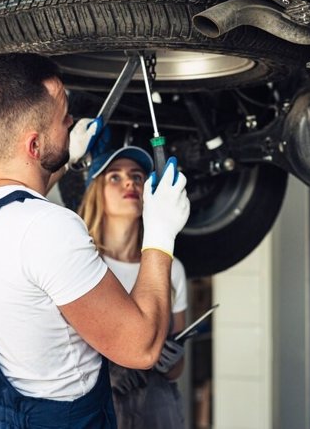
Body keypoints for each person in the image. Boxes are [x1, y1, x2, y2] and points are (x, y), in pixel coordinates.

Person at [0, 52, 190, 428]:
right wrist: (161, 233)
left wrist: (67, 158)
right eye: (63, 118)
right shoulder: (51, 229)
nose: (71, 122)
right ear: (34, 146)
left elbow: (16, 208)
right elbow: (142, 348)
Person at [78, 146, 188, 428]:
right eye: (115, 177)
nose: (130, 183)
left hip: (156, 411)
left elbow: (177, 370)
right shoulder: (81, 264)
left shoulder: (170, 268)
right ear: (95, 191)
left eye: (137, 177)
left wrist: (170, 360)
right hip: (98, 408)